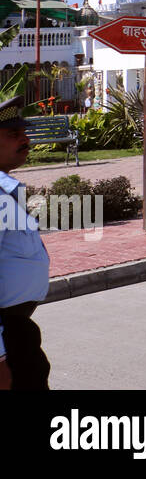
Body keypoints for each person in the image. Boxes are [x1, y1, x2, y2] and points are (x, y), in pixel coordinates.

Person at [0, 95, 52, 390]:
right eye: (13, 134)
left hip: (16, 329)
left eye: (24, 132)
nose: (26, 139)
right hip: (7, 336)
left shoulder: (6, 189)